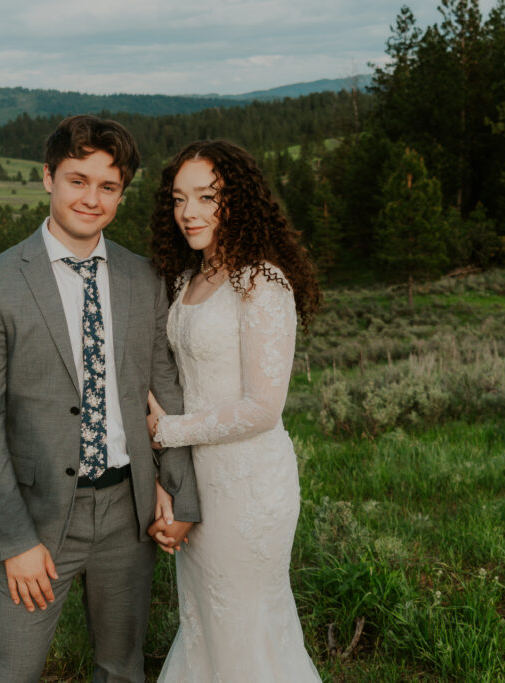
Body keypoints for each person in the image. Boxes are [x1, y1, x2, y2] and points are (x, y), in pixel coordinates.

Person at [0, 114, 201, 683]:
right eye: (77, 180)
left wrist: (176, 492)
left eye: (108, 186)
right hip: (35, 521)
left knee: (121, 669)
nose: (92, 198)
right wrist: (15, 540)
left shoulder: (145, 279)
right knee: (10, 673)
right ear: (47, 177)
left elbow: (168, 393)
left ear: (121, 194)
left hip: (127, 513)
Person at [145, 139, 322, 681]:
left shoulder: (261, 283)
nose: (189, 212)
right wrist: (170, 481)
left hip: (249, 486)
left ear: (237, 202)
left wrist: (168, 430)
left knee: (246, 621)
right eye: (179, 199)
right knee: (206, 622)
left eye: (206, 197)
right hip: (198, 478)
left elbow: (264, 409)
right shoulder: (186, 281)